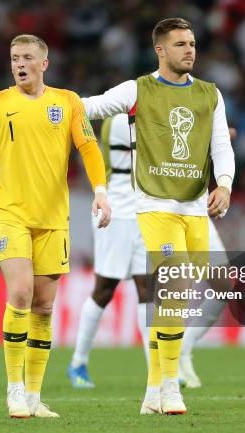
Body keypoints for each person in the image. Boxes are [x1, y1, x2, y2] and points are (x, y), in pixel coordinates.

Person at [82, 18, 235, 415]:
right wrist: (47, 101)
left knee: (178, 301)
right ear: (160, 50)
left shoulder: (209, 95)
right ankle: (171, 388)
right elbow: (92, 107)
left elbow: (221, 144)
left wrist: (225, 184)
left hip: (195, 207)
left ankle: (153, 391)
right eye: (181, 43)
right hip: (154, 207)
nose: (190, 50)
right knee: (176, 287)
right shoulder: (138, 90)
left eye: (193, 43)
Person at [0, 34, 111, 418]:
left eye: (27, 57)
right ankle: (13, 390)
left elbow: (89, 149)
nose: (19, 64)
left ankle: (33, 396)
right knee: (22, 294)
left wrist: (100, 191)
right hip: (11, 214)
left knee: (44, 307)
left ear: (44, 63)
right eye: (14, 58)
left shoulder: (67, 102)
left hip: (53, 220)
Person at [66, 114, 232, 391]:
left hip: (146, 211)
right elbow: (164, 147)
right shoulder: (118, 122)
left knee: (148, 289)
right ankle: (78, 362)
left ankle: (155, 369)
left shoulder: (154, 117)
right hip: (116, 211)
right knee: (105, 289)